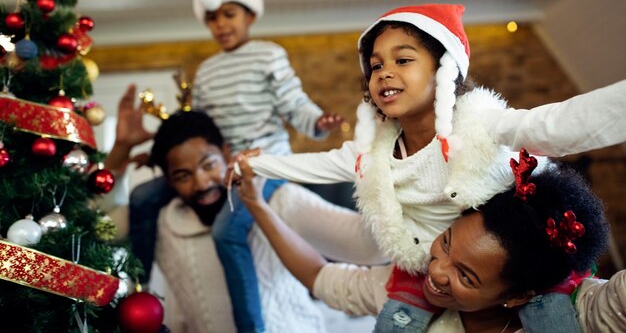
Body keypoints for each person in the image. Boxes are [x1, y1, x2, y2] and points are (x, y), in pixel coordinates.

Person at [236, 4, 626, 332]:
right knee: (399, 315)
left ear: (445, 70)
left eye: (402, 60)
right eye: (375, 66)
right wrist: (258, 164)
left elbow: (554, 125)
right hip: (419, 260)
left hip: (519, 259)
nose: (384, 72)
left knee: (553, 313)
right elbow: (319, 165)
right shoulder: (373, 153)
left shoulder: (482, 126)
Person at [130, 0, 344, 333]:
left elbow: (294, 102)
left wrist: (317, 123)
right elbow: (197, 129)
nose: (221, 25)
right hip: (219, 166)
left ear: (250, 14)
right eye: (212, 19)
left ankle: (250, 328)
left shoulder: (268, 55)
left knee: (227, 232)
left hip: (264, 167)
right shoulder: (208, 70)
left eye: (229, 15)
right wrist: (157, 154)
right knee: (143, 195)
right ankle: (135, 289)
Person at [234, 149, 626, 332]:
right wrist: (257, 204)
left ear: (519, 295)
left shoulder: (581, 312)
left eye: (466, 277)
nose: (435, 272)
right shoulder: (403, 289)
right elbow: (320, 275)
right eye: (447, 243)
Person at [106, 88, 339, 333]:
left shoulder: (281, 201)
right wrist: (120, 148)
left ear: (226, 152)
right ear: (168, 181)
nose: (202, 183)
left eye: (209, 165)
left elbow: (366, 245)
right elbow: (94, 224)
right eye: (183, 175)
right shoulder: (161, 220)